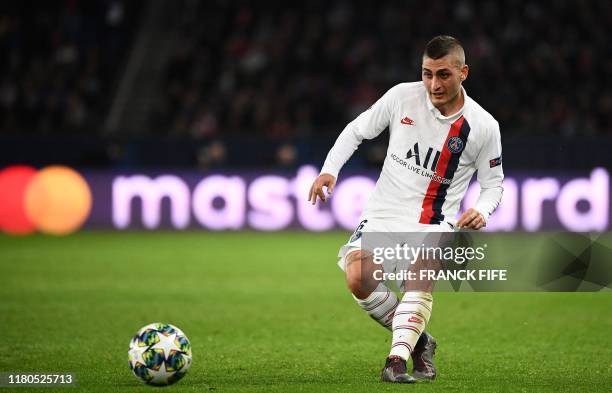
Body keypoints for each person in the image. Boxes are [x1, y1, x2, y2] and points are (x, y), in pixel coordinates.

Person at [308, 35, 504, 383]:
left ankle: (395, 361)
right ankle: (420, 341)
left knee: (419, 279)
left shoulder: (483, 126)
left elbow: (493, 184)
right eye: (427, 73)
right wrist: (329, 169)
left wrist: (483, 210)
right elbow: (357, 130)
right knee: (358, 279)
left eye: (443, 74)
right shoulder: (402, 96)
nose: (433, 84)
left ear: (464, 72)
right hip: (383, 214)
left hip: (434, 222)